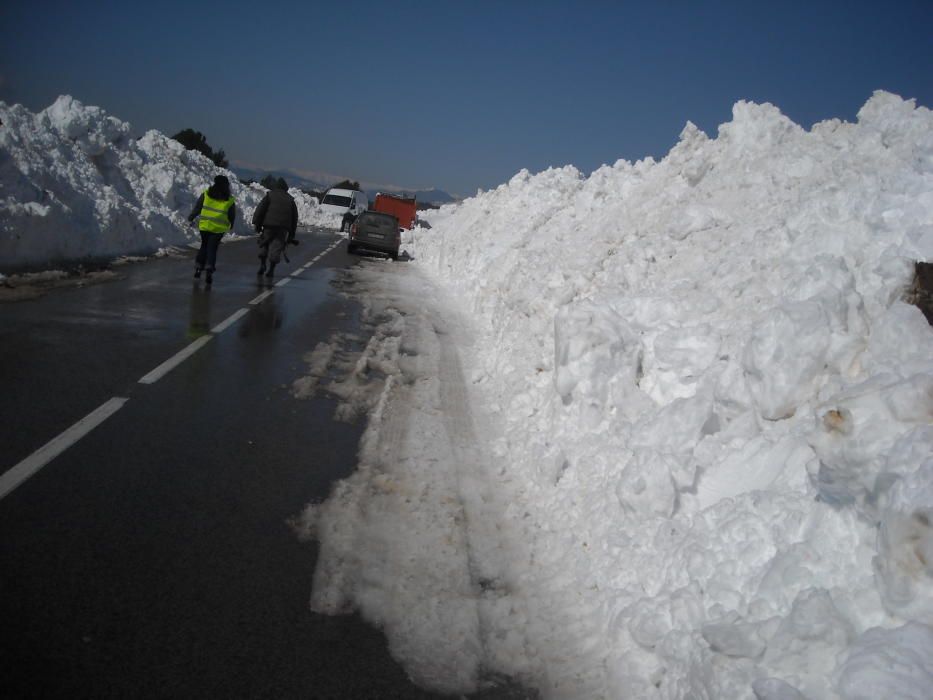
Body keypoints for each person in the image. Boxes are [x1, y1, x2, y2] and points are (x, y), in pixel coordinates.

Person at [188, 175, 236, 285]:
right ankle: (209, 268)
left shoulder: (206, 194)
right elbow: (231, 214)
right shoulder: (229, 200)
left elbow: (198, 207)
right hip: (218, 229)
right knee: (212, 248)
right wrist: (231, 224)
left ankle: (199, 268)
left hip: (205, 226)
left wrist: (192, 216)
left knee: (204, 246)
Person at [251, 178, 298, 279]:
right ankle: (271, 270)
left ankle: (262, 264)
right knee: (276, 247)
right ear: (285, 188)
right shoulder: (290, 199)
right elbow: (294, 218)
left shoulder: (270, 195)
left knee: (265, 243)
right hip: (282, 228)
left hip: (269, 225)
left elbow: (260, 210)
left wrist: (257, 224)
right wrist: (291, 234)